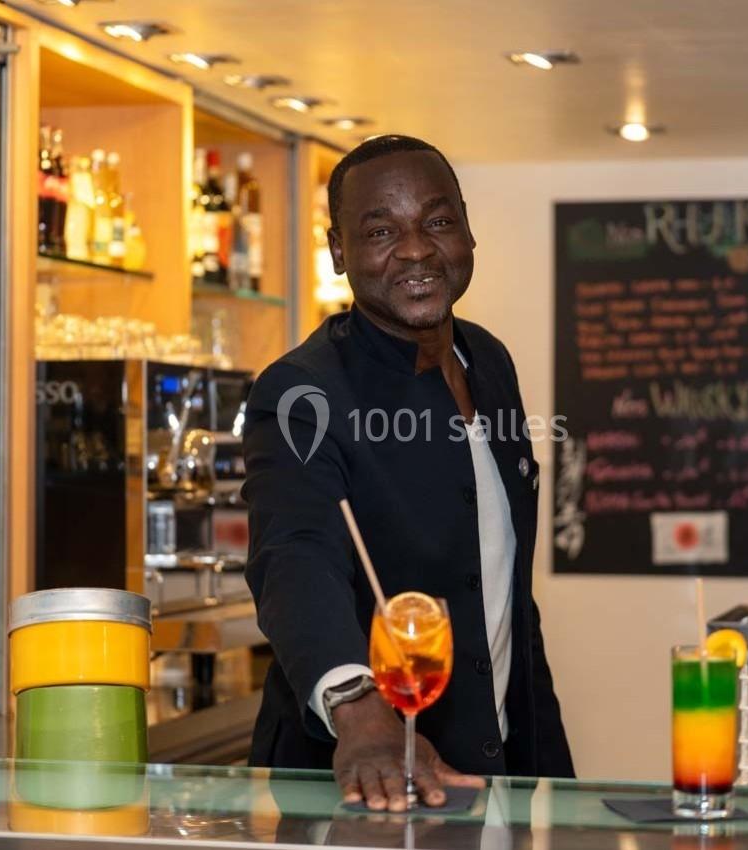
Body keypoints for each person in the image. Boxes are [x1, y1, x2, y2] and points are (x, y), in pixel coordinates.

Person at [243, 134, 573, 813]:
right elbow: (294, 555)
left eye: (438, 221)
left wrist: (554, 777)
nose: (417, 249)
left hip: (498, 771)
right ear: (340, 252)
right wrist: (357, 709)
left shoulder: (490, 361)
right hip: (361, 781)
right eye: (381, 230)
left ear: (468, 233)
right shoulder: (303, 392)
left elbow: (504, 587)